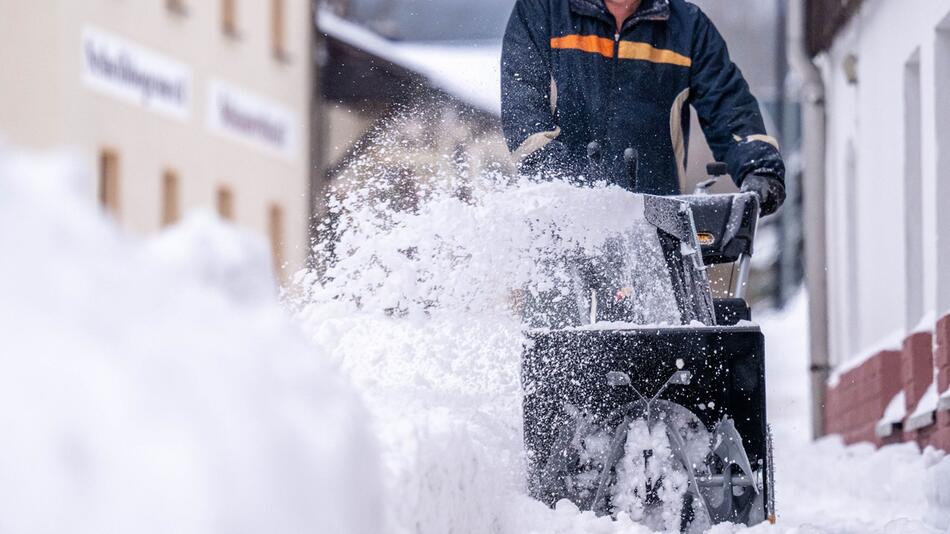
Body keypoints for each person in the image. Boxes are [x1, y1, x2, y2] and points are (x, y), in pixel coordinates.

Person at [501, 0, 786, 215]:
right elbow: (523, 107)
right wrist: (564, 181)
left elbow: (729, 104)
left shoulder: (688, 28)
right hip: (563, 220)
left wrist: (759, 168)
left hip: (656, 225)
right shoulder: (543, 10)